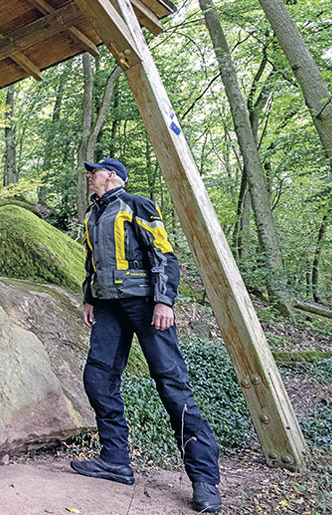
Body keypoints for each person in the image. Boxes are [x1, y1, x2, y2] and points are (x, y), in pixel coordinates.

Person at [71, 158, 222, 514]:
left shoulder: (137, 204)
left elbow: (164, 255)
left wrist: (164, 300)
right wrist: (89, 299)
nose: (89, 176)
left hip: (145, 304)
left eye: (95, 171)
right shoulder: (92, 215)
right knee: (97, 377)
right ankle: (115, 460)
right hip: (108, 307)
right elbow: (92, 263)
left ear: (112, 175)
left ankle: (205, 480)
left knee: (171, 383)